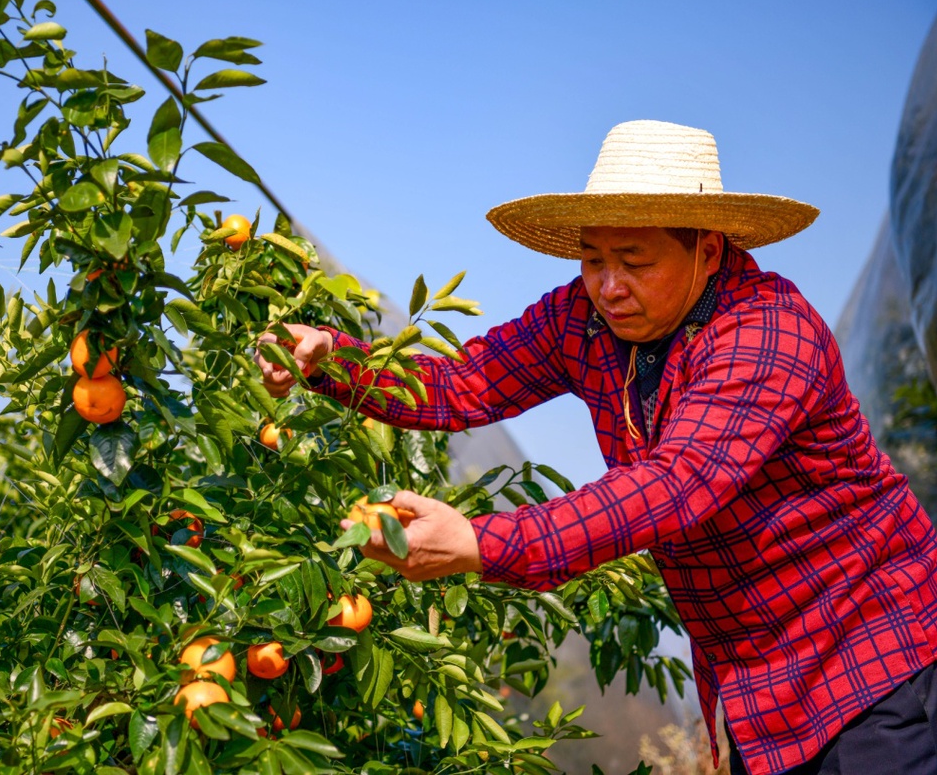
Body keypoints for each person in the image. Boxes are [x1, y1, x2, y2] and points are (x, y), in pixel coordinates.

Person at [255, 120, 937, 775]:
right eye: (592, 260)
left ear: (706, 248)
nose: (608, 286)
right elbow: (462, 384)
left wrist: (483, 542)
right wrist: (330, 362)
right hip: (752, 675)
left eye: (633, 261)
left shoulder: (767, 333)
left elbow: (674, 487)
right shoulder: (582, 320)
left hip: (870, 645)